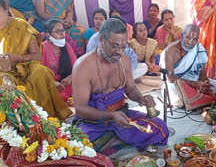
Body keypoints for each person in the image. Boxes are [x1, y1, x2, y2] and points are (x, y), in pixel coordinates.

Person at [72, 18, 169, 155]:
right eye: (115, 46)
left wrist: (141, 99)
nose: (119, 51)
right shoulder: (82, 66)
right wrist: (111, 116)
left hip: (123, 116)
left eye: (123, 47)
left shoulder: (124, 60)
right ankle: (125, 141)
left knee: (160, 127)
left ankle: (116, 144)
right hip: (93, 123)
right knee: (80, 144)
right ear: (101, 40)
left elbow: (130, 88)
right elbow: (80, 109)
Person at [0, 0, 72, 120]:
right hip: (4, 72)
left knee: (41, 72)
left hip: (25, 67)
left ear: (7, 9)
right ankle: (15, 127)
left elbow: (37, 56)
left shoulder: (22, 26)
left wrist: (16, 57)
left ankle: (46, 121)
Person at [160, 24, 216, 110]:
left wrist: (206, 86)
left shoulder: (198, 49)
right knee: (176, 96)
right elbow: (170, 78)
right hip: (176, 84)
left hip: (195, 80)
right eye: (188, 37)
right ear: (182, 36)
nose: (190, 42)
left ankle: (200, 97)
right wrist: (194, 84)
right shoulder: (171, 50)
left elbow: (202, 74)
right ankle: (198, 98)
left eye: (194, 39)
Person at [86, 17, 143, 81]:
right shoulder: (95, 41)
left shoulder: (121, 39)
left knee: (143, 67)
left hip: (118, 71)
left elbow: (132, 56)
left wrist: (127, 72)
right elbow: (93, 64)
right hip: (101, 75)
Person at [42, 18, 77, 103]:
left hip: (65, 85)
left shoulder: (67, 46)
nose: (62, 34)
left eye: (63, 30)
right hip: (49, 86)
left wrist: (70, 77)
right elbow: (40, 74)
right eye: (57, 31)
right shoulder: (42, 48)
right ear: (47, 35)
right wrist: (53, 83)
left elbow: (77, 67)